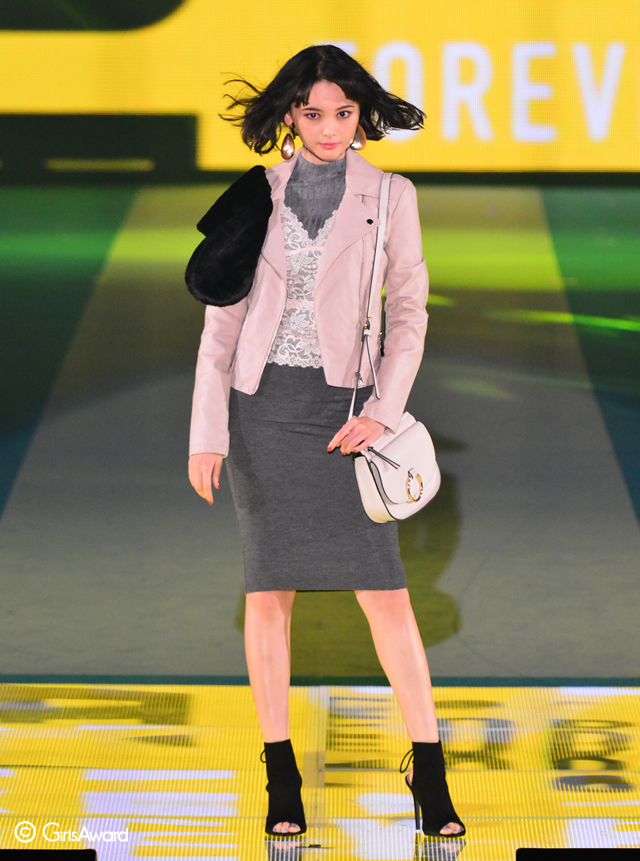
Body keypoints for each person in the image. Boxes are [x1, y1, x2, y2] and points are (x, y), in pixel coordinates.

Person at [187, 44, 465, 839]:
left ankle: (428, 767)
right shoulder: (256, 195)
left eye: (343, 112)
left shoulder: (392, 195)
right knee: (267, 592)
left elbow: (409, 309)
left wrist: (384, 407)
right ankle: (280, 773)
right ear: (290, 116)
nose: (330, 127)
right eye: (314, 113)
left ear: (361, 116)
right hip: (261, 411)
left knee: (386, 593)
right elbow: (219, 326)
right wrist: (207, 432)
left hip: (347, 412)